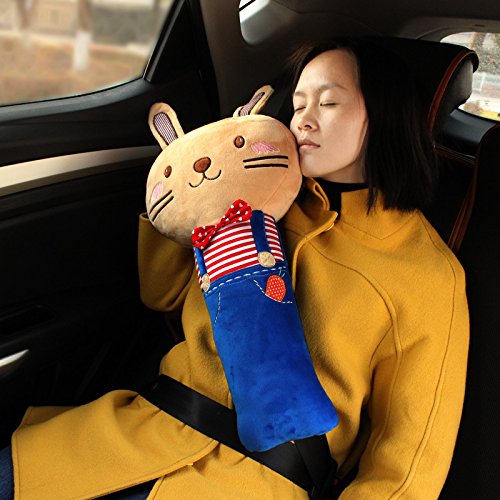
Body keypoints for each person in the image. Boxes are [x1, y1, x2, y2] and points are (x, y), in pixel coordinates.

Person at [4, 38, 468, 499]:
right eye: (298, 104)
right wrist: (184, 200)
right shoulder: (257, 189)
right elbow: (161, 295)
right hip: (142, 430)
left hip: (255, 479)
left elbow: (405, 468)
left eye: (328, 103)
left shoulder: (427, 275)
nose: (303, 120)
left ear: (384, 113)